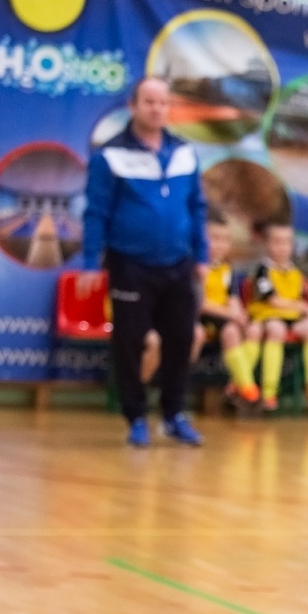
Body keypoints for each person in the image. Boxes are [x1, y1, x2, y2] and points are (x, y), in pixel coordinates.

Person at [79, 76, 207, 448]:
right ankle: (135, 417)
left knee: (182, 339)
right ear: (133, 107)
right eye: (149, 102)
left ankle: (173, 415)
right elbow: (96, 212)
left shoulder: (185, 153)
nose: (157, 109)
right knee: (130, 343)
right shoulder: (110, 155)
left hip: (179, 264)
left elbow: (197, 206)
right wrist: (90, 262)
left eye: (163, 103)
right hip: (130, 265)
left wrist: (201, 255)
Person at [141, 210, 259, 407]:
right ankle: (168, 386)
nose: (220, 244)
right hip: (198, 315)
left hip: (221, 315)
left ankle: (240, 384)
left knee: (243, 330)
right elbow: (199, 305)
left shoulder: (226, 267)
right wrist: (230, 313)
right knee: (196, 334)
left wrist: (239, 313)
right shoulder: (193, 266)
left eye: (225, 239)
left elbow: (232, 296)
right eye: (214, 238)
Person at [247, 221, 308, 412]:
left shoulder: (296, 273)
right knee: (276, 330)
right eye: (277, 242)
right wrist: (302, 306)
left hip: (293, 318)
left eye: (287, 242)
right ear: (267, 244)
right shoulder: (262, 271)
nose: (282, 247)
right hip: (269, 316)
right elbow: (272, 300)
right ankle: (269, 391)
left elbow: (304, 300)